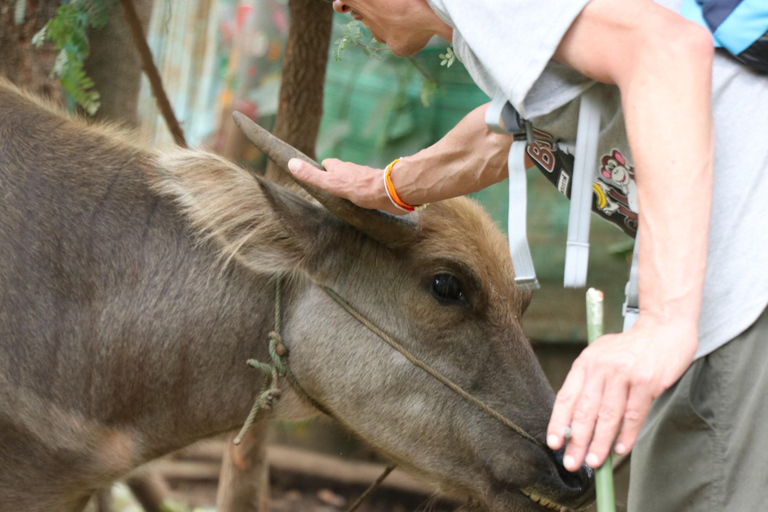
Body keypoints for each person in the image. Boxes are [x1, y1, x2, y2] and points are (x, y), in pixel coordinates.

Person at [287, 0, 768, 510]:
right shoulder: (484, 30)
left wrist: (663, 323)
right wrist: (390, 186)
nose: (338, 5)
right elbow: (512, 132)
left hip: (741, 266)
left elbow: (666, 48)